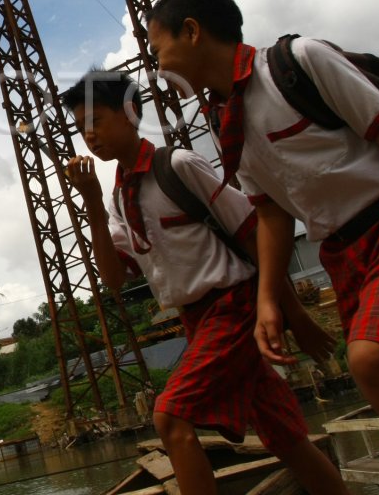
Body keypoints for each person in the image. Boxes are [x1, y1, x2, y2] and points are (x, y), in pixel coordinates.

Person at [146, 0, 379, 492]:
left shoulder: (298, 63)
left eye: (157, 46)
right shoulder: (224, 117)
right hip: (345, 256)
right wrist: (268, 303)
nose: (157, 63)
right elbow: (273, 214)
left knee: (372, 361)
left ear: (191, 31)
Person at [61, 71, 347, 495]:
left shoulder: (178, 166)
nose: (89, 135)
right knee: (288, 440)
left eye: (96, 120)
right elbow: (115, 278)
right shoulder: (119, 197)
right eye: (81, 127)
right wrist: (91, 206)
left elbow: (252, 235)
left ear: (129, 112)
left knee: (170, 417)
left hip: (232, 307)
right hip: (197, 322)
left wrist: (294, 314)